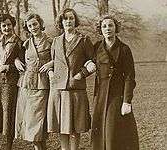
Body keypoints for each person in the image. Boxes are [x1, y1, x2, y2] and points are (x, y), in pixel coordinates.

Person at [47, 8, 96, 150]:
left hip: (76, 90)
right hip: (58, 90)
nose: (68, 21)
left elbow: (93, 61)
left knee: (74, 127)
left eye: (71, 18)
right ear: (61, 22)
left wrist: (81, 74)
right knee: (62, 126)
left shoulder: (84, 40)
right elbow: (53, 61)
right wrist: (51, 72)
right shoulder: (56, 41)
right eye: (65, 19)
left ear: (75, 21)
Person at [91, 15, 139, 150]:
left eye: (110, 25)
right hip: (100, 96)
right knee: (100, 133)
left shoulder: (124, 49)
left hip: (117, 97)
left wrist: (127, 101)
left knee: (114, 132)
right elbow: (84, 62)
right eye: (104, 26)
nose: (107, 29)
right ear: (100, 29)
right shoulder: (96, 48)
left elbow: (130, 77)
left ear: (116, 27)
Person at [15, 13, 53, 150]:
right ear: (27, 28)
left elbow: (60, 58)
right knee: (31, 125)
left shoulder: (50, 41)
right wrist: (16, 60)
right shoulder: (25, 44)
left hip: (43, 85)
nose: (33, 27)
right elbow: (17, 57)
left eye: (35, 24)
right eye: (30, 25)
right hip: (27, 86)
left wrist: (51, 64)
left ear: (40, 24)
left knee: (37, 124)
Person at [0, 14, 24, 150]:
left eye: (9, 24)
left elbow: (24, 65)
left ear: (12, 25)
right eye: (4, 25)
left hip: (9, 85)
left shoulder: (18, 43)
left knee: (7, 118)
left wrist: (9, 66)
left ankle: (8, 147)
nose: (7, 27)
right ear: (0, 28)